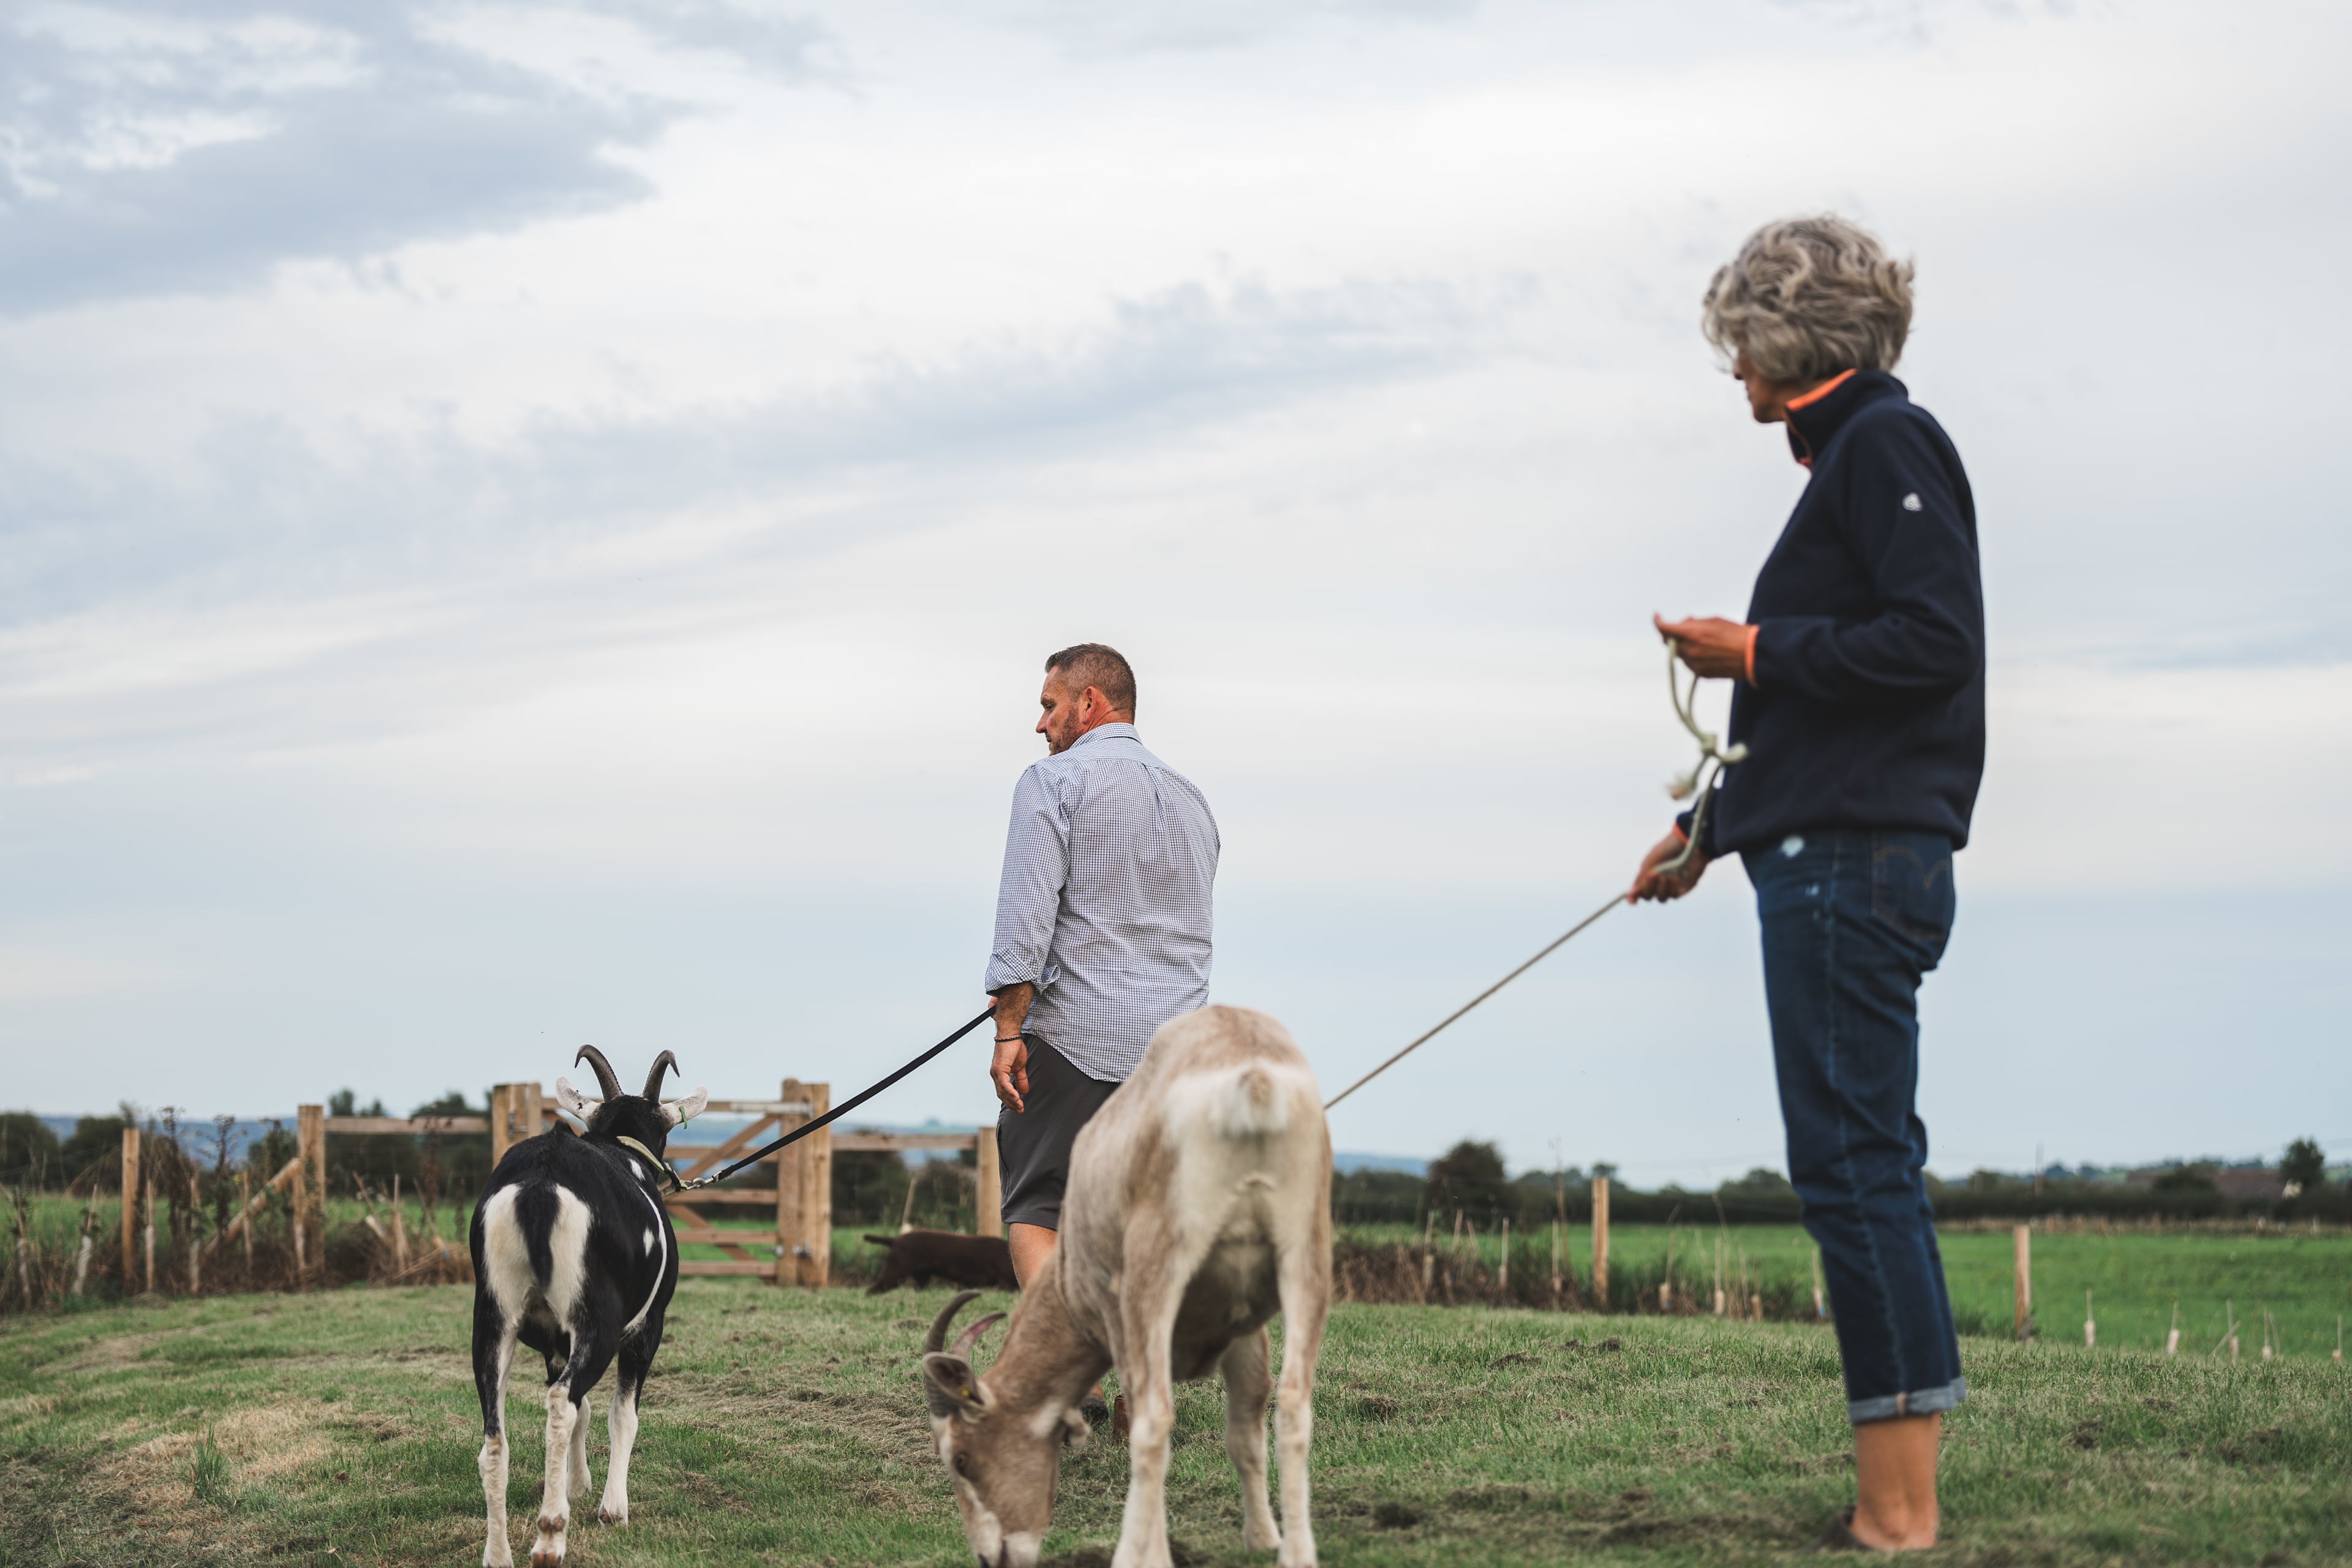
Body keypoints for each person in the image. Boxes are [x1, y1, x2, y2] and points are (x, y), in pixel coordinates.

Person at [1630, 215, 1983, 1553]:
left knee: (1853, 1169)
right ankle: (1893, 1493)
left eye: (1742, 347)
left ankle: (1899, 1515)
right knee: (1860, 1163)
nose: (1736, 375)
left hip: (1854, 869)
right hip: (1829, 849)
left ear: (1791, 344)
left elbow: (1933, 643)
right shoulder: (1854, 458)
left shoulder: (1888, 445)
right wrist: (1708, 829)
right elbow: (1847, 720)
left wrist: (1754, 645)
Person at [984, 643, 1219, 1289]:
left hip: (1074, 1042)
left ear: (1088, 704)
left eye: (1049, 705)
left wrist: (1008, 1033)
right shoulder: (1193, 800)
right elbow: (1190, 934)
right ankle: (1141, 1380)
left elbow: (1024, 923)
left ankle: (1070, 1383)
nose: (1041, 724)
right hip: (1173, 1051)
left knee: (1041, 1210)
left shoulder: (1053, 782)